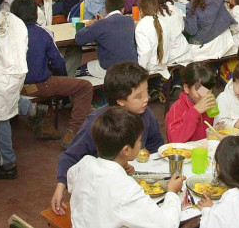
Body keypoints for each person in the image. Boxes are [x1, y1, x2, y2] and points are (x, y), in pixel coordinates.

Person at [51, 62, 164, 215]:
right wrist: (60, 187)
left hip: (132, 185)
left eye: (146, 92)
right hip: (102, 192)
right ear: (120, 100)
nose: (147, 99)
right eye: (139, 96)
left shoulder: (145, 114)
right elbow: (70, 156)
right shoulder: (98, 123)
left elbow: (156, 146)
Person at [67, 106, 183, 228]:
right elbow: (167, 224)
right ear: (126, 150)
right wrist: (172, 193)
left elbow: (71, 178)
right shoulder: (126, 189)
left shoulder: (85, 163)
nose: (140, 144)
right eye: (139, 140)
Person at [0, 0, 47, 180]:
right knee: (8, 101)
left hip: (0, 77)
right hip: (16, 73)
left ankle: (7, 164)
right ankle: (31, 109)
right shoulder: (15, 20)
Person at [11, 0, 93, 148]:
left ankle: (44, 123)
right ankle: (73, 132)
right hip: (41, 84)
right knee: (84, 87)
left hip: (13, 86)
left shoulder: (7, 34)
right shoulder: (42, 33)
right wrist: (62, 78)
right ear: (35, 13)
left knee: (51, 83)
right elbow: (58, 62)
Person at [75, 0, 137, 78]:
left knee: (76, 71)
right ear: (123, 9)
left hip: (110, 69)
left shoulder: (100, 24)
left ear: (105, 10)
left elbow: (79, 39)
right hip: (131, 67)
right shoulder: (130, 21)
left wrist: (90, 25)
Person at [135, 0, 191, 84]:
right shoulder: (164, 21)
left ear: (141, 10)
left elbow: (145, 52)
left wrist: (140, 73)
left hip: (151, 67)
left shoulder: (142, 25)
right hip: (162, 64)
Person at [165, 62, 218, 143]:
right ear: (186, 88)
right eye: (199, 89)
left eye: (209, 89)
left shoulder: (210, 105)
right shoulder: (177, 109)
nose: (204, 94)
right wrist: (195, 111)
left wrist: (218, 127)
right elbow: (174, 140)